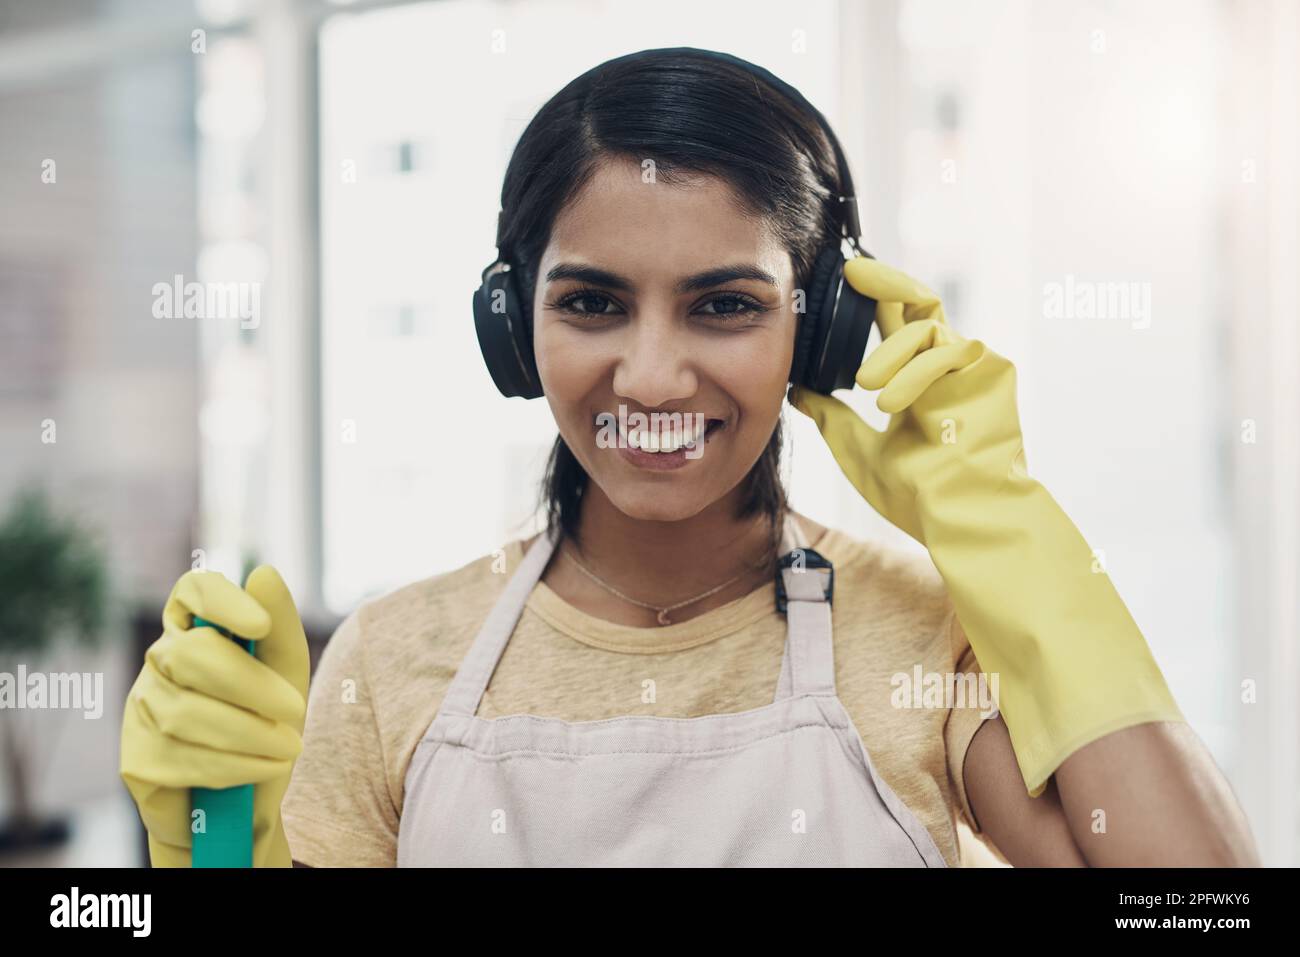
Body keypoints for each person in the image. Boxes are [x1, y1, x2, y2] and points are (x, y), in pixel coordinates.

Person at [120, 48, 1258, 868]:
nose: (652, 378)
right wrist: (225, 847)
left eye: (723, 305)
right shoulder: (396, 653)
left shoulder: (920, 635)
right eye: (592, 303)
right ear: (515, 328)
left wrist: (1007, 533)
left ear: (818, 332)